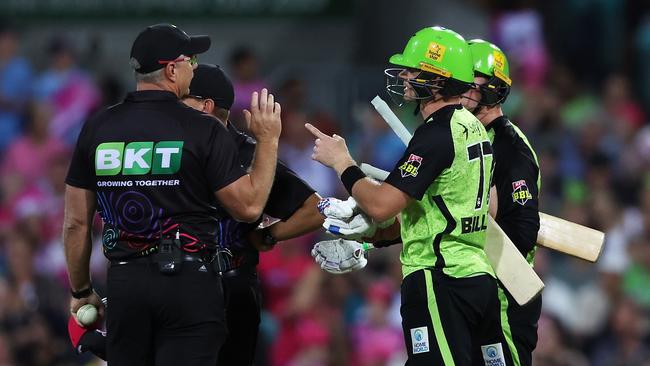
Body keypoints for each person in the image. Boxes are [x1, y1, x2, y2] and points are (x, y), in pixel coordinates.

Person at [63, 23, 281, 366]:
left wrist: (80, 291)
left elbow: (76, 222)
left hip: (125, 281)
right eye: (190, 60)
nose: (195, 67)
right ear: (170, 69)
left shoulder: (98, 127)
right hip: (189, 285)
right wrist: (267, 140)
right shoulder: (203, 127)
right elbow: (249, 207)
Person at [306, 26, 514, 365]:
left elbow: (381, 203)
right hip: (477, 277)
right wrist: (373, 239)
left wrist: (342, 161)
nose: (404, 75)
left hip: (439, 278)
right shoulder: (473, 127)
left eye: (414, 70)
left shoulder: (435, 134)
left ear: (438, 80)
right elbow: (480, 208)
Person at [182, 63, 324, 365]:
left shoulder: (248, 153)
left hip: (232, 293)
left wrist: (269, 234)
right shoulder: (175, 150)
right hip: (180, 290)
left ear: (205, 106)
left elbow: (314, 209)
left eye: (181, 100)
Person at [461, 39, 542, 366]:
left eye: (470, 83)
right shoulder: (472, 137)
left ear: (493, 90)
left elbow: (522, 233)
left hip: (506, 293)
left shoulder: (510, 148)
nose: (460, 90)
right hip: (479, 288)